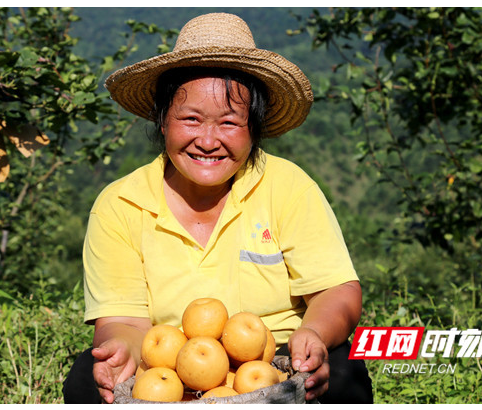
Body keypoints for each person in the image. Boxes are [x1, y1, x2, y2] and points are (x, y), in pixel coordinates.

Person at [62, 12, 372, 404]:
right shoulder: (120, 204)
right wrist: (121, 349)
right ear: (163, 121)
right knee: (85, 381)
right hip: (168, 370)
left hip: (277, 359)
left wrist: (312, 336)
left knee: (345, 370)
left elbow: (337, 291)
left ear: (254, 129)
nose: (207, 141)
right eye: (190, 119)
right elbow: (123, 322)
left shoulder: (288, 186)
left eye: (229, 122)